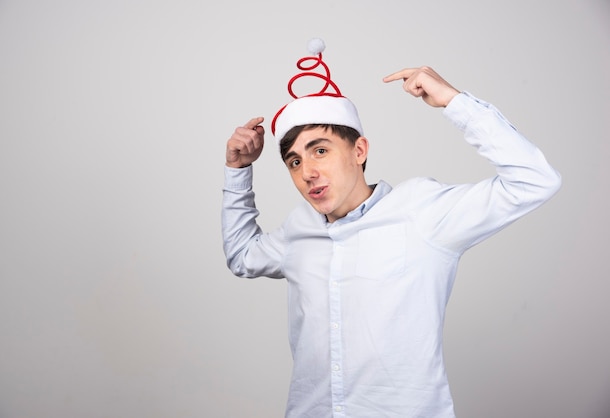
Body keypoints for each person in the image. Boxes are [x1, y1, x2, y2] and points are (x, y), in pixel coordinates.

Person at [221, 39, 561, 417]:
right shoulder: (298, 229)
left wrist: (454, 101)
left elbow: (536, 181)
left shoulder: (421, 211)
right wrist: (238, 170)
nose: (308, 173)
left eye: (321, 150)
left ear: (359, 150)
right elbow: (242, 256)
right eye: (294, 161)